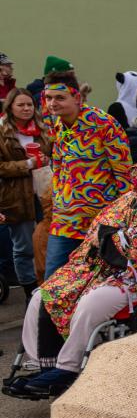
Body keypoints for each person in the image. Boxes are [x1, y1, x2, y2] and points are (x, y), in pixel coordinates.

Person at [6, 159, 137, 399]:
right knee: (44, 294)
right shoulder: (129, 199)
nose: (135, 188)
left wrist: (110, 237)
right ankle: (44, 363)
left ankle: (68, 367)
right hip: (100, 267)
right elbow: (101, 226)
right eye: (133, 183)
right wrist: (113, 236)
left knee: (91, 303)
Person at [42, 71, 132, 279]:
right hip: (64, 220)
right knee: (52, 279)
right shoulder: (57, 124)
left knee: (94, 281)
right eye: (49, 98)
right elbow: (59, 168)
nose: (53, 103)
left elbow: (124, 174)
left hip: (100, 221)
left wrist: (123, 217)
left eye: (60, 97)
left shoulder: (104, 124)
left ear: (77, 97)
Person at [0, 89, 51, 302]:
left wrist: (45, 159)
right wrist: (28, 164)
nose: (26, 108)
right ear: (10, 107)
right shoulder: (3, 132)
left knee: (47, 240)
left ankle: (47, 285)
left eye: (29, 104)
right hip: (16, 196)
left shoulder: (41, 129)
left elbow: (53, 153)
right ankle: (30, 291)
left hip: (44, 192)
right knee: (24, 247)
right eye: (21, 105)